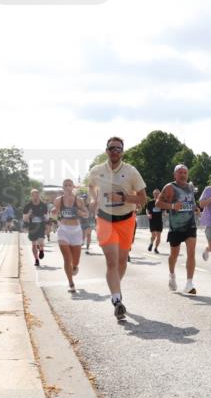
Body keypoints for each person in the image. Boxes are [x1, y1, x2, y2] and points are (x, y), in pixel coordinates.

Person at [87, 136, 147, 320]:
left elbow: (143, 199)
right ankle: (117, 300)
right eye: (112, 148)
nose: (115, 151)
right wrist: (94, 199)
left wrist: (123, 198)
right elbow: (91, 187)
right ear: (107, 150)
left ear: (122, 152)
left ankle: (115, 287)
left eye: (118, 149)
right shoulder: (96, 170)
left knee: (121, 261)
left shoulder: (131, 172)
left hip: (126, 220)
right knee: (111, 262)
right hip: (105, 219)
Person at [157, 164, 199, 294]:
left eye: (185, 173)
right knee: (174, 255)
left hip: (190, 225)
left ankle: (189, 283)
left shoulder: (190, 187)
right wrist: (172, 206)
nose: (183, 175)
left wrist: (195, 208)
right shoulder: (170, 187)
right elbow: (158, 203)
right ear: (175, 175)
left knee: (191, 253)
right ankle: (172, 275)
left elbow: (191, 202)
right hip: (176, 227)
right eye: (180, 172)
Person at [53, 179, 87, 292]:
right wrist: (53, 212)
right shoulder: (58, 200)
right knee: (67, 258)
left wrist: (81, 213)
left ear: (73, 187)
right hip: (63, 230)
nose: (68, 187)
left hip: (76, 231)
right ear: (63, 187)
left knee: (75, 260)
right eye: (65, 185)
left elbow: (87, 214)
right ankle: (71, 283)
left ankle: (75, 266)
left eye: (70, 185)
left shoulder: (79, 200)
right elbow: (54, 212)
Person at [22, 190, 49, 268]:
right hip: (32, 227)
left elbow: (47, 217)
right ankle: (36, 259)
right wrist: (29, 214)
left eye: (37, 195)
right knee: (34, 244)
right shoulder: (27, 206)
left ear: (39, 195)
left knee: (40, 242)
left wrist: (46, 224)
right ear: (31, 196)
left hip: (41, 226)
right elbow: (24, 219)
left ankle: (41, 250)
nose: (35, 197)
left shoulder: (43, 205)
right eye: (33, 196)